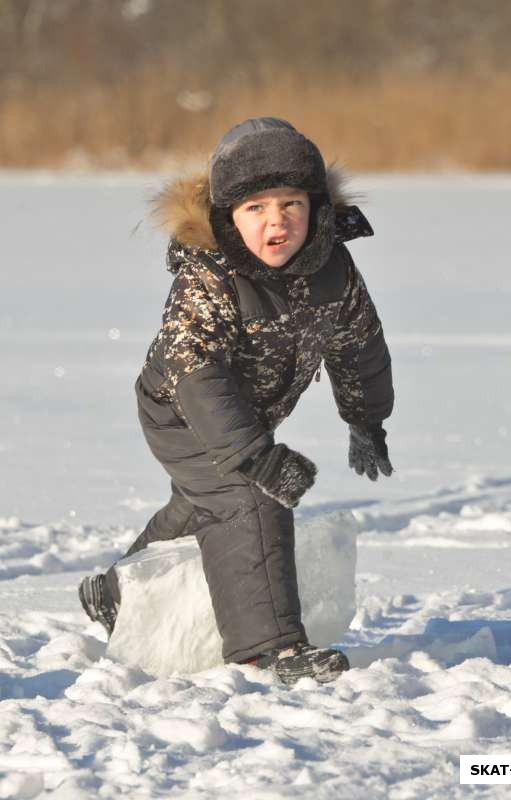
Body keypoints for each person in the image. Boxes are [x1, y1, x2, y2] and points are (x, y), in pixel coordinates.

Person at [79, 117, 394, 685]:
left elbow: (360, 344)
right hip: (181, 409)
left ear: (316, 207)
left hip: (248, 413)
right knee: (249, 496)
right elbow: (197, 373)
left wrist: (366, 418)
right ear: (227, 216)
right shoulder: (209, 276)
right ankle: (269, 647)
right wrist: (256, 456)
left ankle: (116, 590)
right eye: (256, 208)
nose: (277, 222)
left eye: (291, 204)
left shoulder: (334, 270)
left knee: (206, 501)